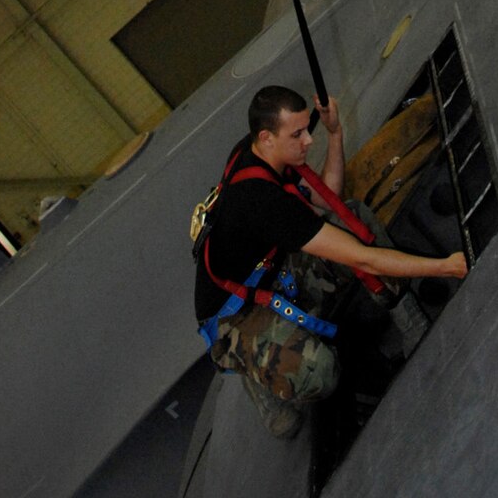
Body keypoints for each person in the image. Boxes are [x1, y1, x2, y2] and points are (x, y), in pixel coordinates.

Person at [195, 86, 467, 438]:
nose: (309, 140)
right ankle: (253, 370)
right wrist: (445, 266)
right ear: (266, 138)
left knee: (354, 220)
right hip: (235, 315)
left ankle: (405, 312)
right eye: (297, 134)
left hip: (270, 272)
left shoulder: (259, 153)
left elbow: (328, 197)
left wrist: (335, 133)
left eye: (307, 129)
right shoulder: (261, 202)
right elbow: (365, 260)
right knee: (320, 372)